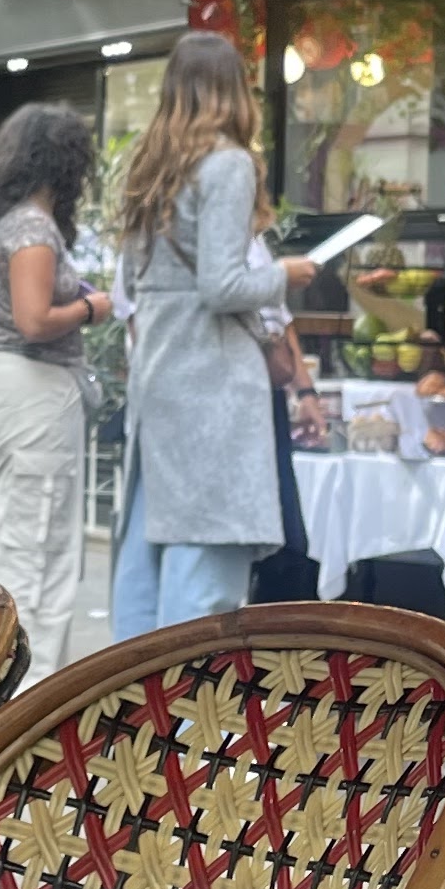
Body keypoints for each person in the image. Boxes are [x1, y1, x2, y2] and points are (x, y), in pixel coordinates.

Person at [112, 32, 318, 631]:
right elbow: (222, 287)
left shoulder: (151, 167)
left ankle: (128, 686)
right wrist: (285, 275)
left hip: (160, 375)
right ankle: (182, 690)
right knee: (206, 573)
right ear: (233, 90)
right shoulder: (227, 164)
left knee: (147, 560)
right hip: (212, 383)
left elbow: (136, 283)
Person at [0, 103, 112, 678]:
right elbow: (33, 319)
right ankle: (29, 699)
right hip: (34, 395)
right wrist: (92, 308)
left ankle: (2, 688)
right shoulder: (32, 228)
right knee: (41, 560)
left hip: (6, 390)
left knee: (17, 546)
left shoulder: (3, 224)